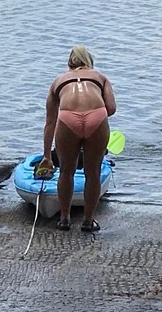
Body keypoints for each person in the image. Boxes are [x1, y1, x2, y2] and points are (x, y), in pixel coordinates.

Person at [42, 46, 117, 233]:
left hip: (67, 118)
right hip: (96, 116)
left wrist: (47, 156)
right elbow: (112, 108)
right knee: (93, 172)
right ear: (89, 62)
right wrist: (94, 118)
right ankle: (88, 221)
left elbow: (50, 123)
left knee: (66, 172)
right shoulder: (100, 77)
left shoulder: (58, 81)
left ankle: (64, 219)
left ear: (69, 63)